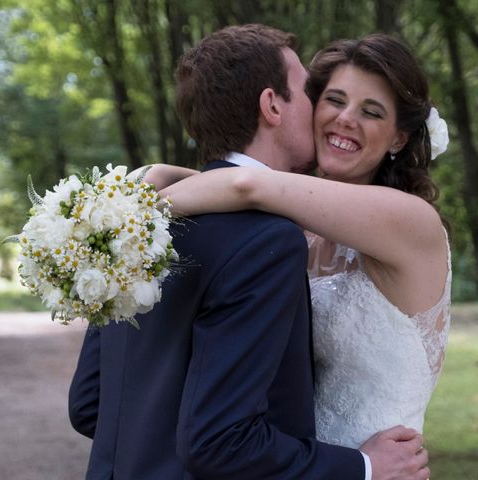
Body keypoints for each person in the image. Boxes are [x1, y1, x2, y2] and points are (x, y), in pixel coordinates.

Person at [69, 25, 430, 479]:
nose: (327, 114)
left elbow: (90, 406)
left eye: (371, 110)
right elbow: (217, 438)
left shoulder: (137, 229)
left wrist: (137, 198)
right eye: (313, 94)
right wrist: (362, 468)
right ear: (271, 105)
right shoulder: (268, 240)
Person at [155, 32, 450, 464]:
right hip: (298, 465)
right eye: (334, 100)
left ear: (398, 140)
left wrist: (129, 214)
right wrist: (161, 172)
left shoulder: (413, 222)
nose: (346, 119)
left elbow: (245, 182)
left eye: (371, 112)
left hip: (381, 468)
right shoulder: (295, 228)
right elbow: (254, 185)